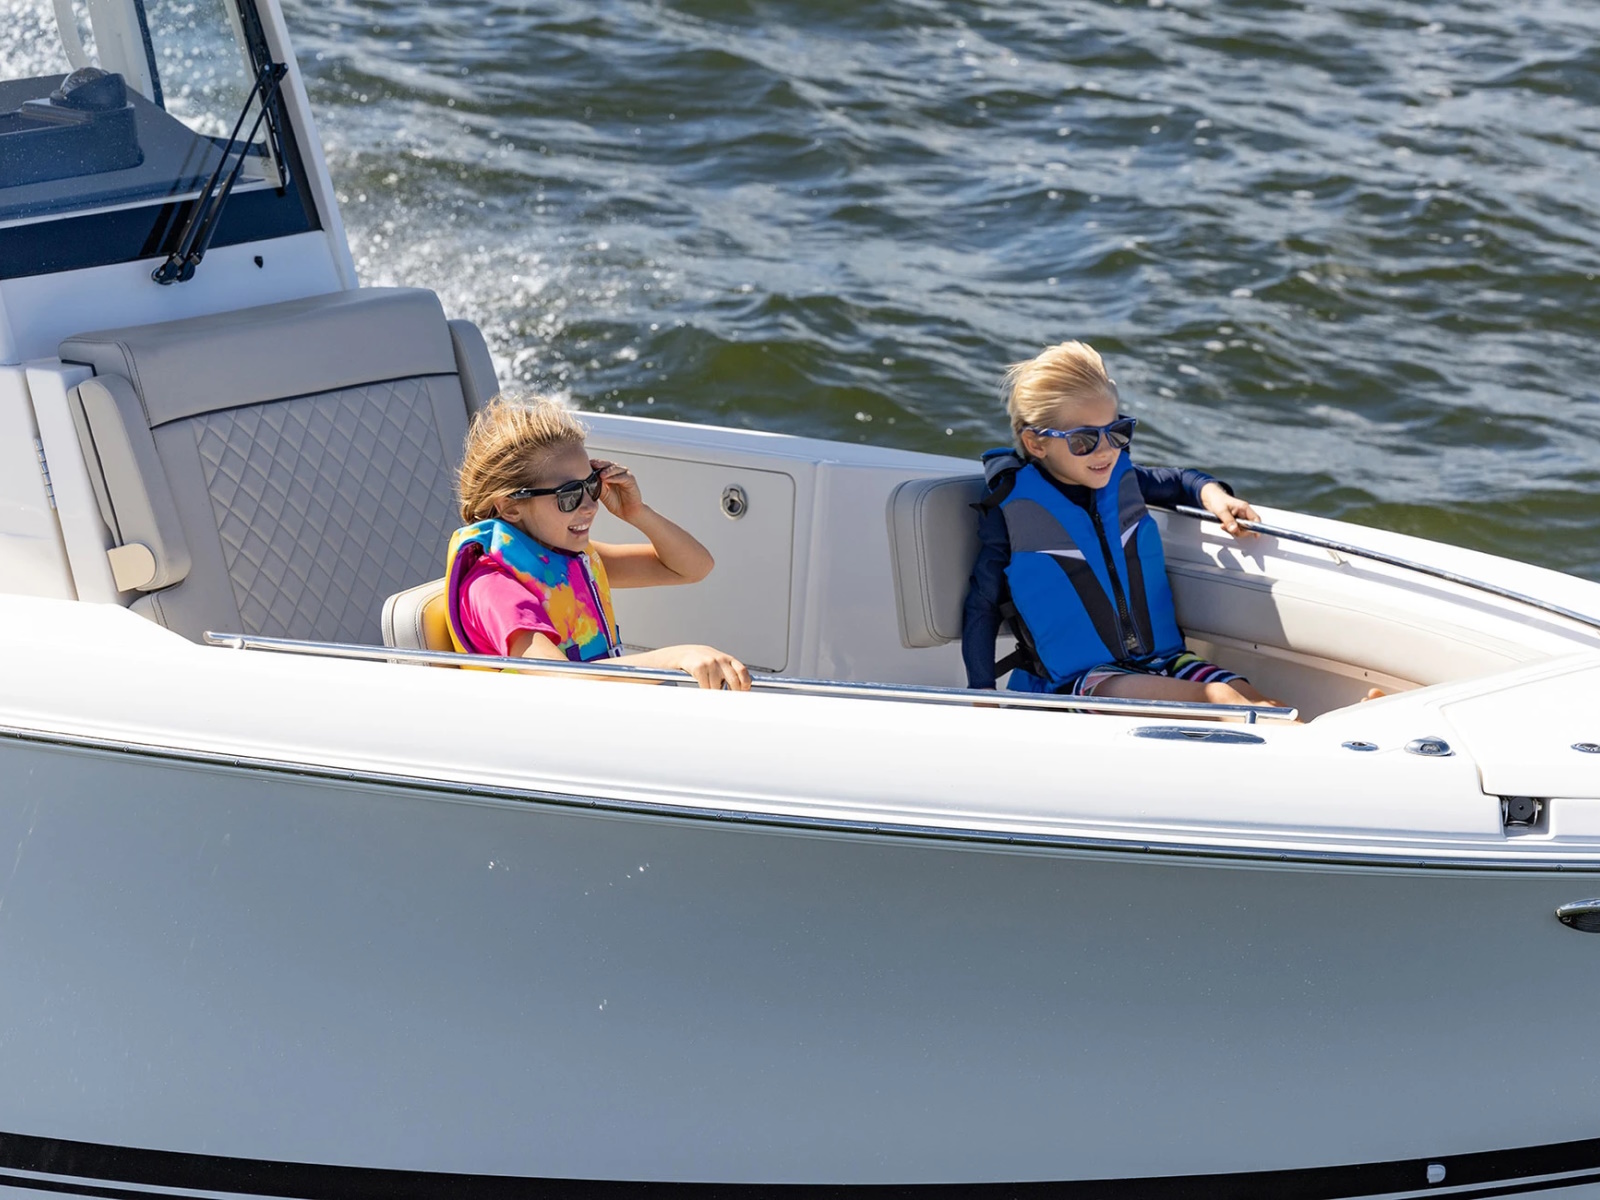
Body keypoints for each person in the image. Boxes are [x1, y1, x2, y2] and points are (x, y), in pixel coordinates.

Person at [962, 340, 1283, 710]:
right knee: (1219, 699)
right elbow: (982, 605)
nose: (1105, 451)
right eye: (1084, 440)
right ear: (1036, 444)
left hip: (1163, 660)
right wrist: (982, 690)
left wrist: (1213, 495)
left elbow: (1181, 481)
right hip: (1082, 683)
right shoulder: (1011, 511)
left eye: (1116, 432)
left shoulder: (1122, 479)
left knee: (1255, 700)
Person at [447, 393, 751, 691]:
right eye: (569, 495)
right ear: (511, 507)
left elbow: (694, 567)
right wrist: (675, 658)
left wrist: (637, 512)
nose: (591, 506)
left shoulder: (570, 559)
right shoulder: (493, 588)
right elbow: (562, 681)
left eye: (591, 484)